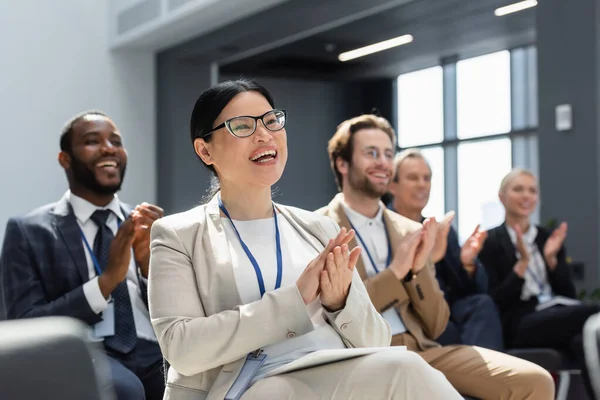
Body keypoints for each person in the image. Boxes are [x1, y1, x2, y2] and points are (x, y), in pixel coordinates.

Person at [147, 79, 462, 400]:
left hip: (334, 368)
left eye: (271, 121)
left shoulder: (319, 228)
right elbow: (181, 347)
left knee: (405, 366)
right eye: (242, 126)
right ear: (205, 150)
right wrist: (295, 300)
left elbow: (376, 341)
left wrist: (339, 303)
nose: (264, 134)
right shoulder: (177, 234)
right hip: (248, 384)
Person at [317, 114, 555, 400]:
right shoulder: (319, 228)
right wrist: (396, 273)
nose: (382, 162)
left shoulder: (411, 229)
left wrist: (416, 273)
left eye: (388, 154)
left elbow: (437, 324)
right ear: (342, 163)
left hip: (423, 349)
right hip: (365, 354)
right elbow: (336, 315)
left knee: (536, 381)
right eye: (371, 153)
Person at [0, 110, 165, 400]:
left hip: (157, 349)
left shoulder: (152, 226)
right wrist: (108, 280)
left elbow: (188, 308)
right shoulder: (28, 231)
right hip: (86, 350)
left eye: (116, 141)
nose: (108, 148)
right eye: (92, 141)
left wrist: (150, 268)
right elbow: (23, 325)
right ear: (65, 159)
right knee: (126, 390)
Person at [479, 168, 600, 397]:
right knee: (593, 312)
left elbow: (568, 295)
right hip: (520, 321)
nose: (526, 196)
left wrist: (552, 261)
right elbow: (494, 302)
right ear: (501, 197)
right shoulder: (490, 242)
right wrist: (522, 265)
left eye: (532, 191)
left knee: (582, 341)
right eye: (518, 189)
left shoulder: (547, 238)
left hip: (556, 313)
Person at [388, 149, 503, 351]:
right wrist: (429, 260)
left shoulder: (440, 230)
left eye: (427, 178)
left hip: (443, 310)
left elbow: (467, 291)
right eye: (413, 178)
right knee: (445, 328)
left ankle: (486, 378)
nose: (422, 184)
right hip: (405, 313)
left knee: (481, 304)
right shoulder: (382, 227)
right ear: (392, 186)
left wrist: (466, 263)